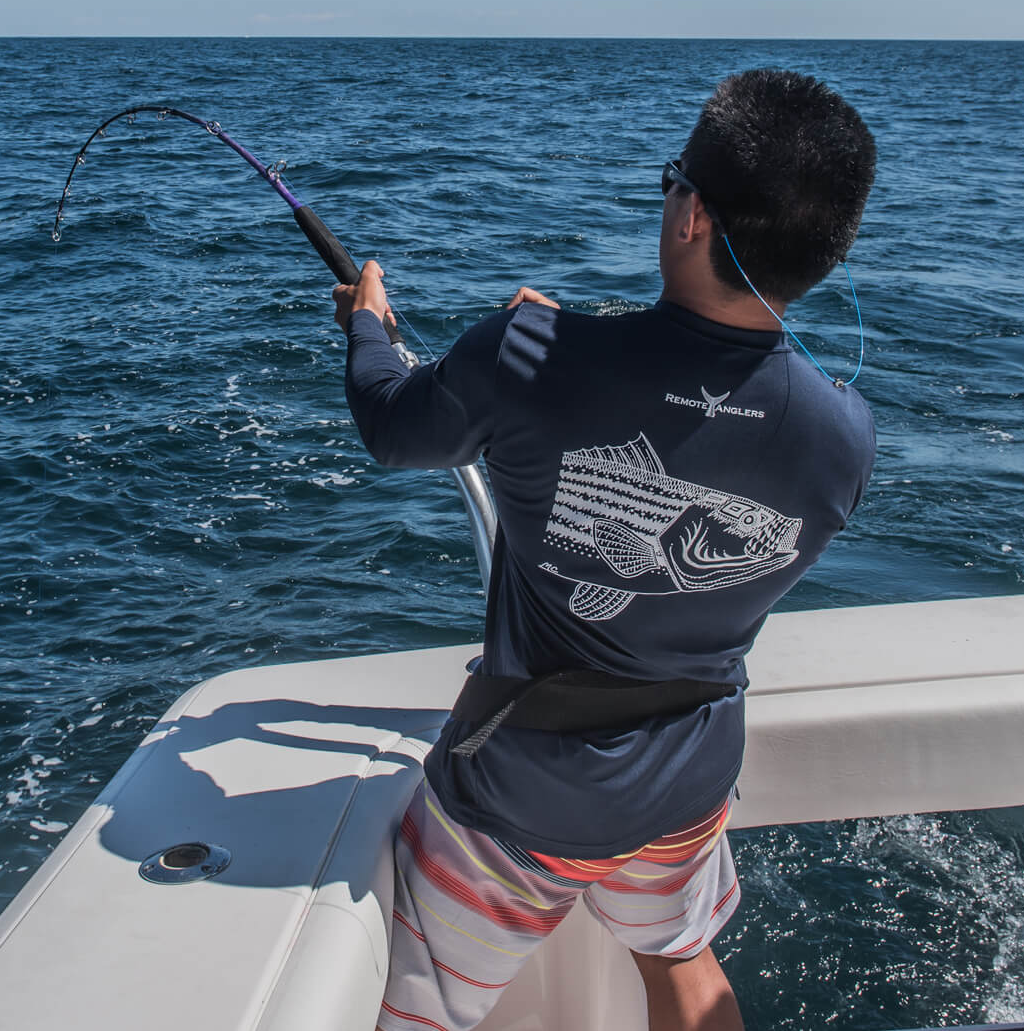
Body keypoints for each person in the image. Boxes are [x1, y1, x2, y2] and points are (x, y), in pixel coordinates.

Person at [332, 69, 877, 1031]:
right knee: (684, 968)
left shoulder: (528, 355)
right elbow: (701, 405)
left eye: (672, 181)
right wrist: (564, 342)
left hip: (515, 799)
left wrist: (370, 323)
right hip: (685, 786)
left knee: (414, 1016)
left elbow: (392, 428)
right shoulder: (845, 435)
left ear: (694, 216)